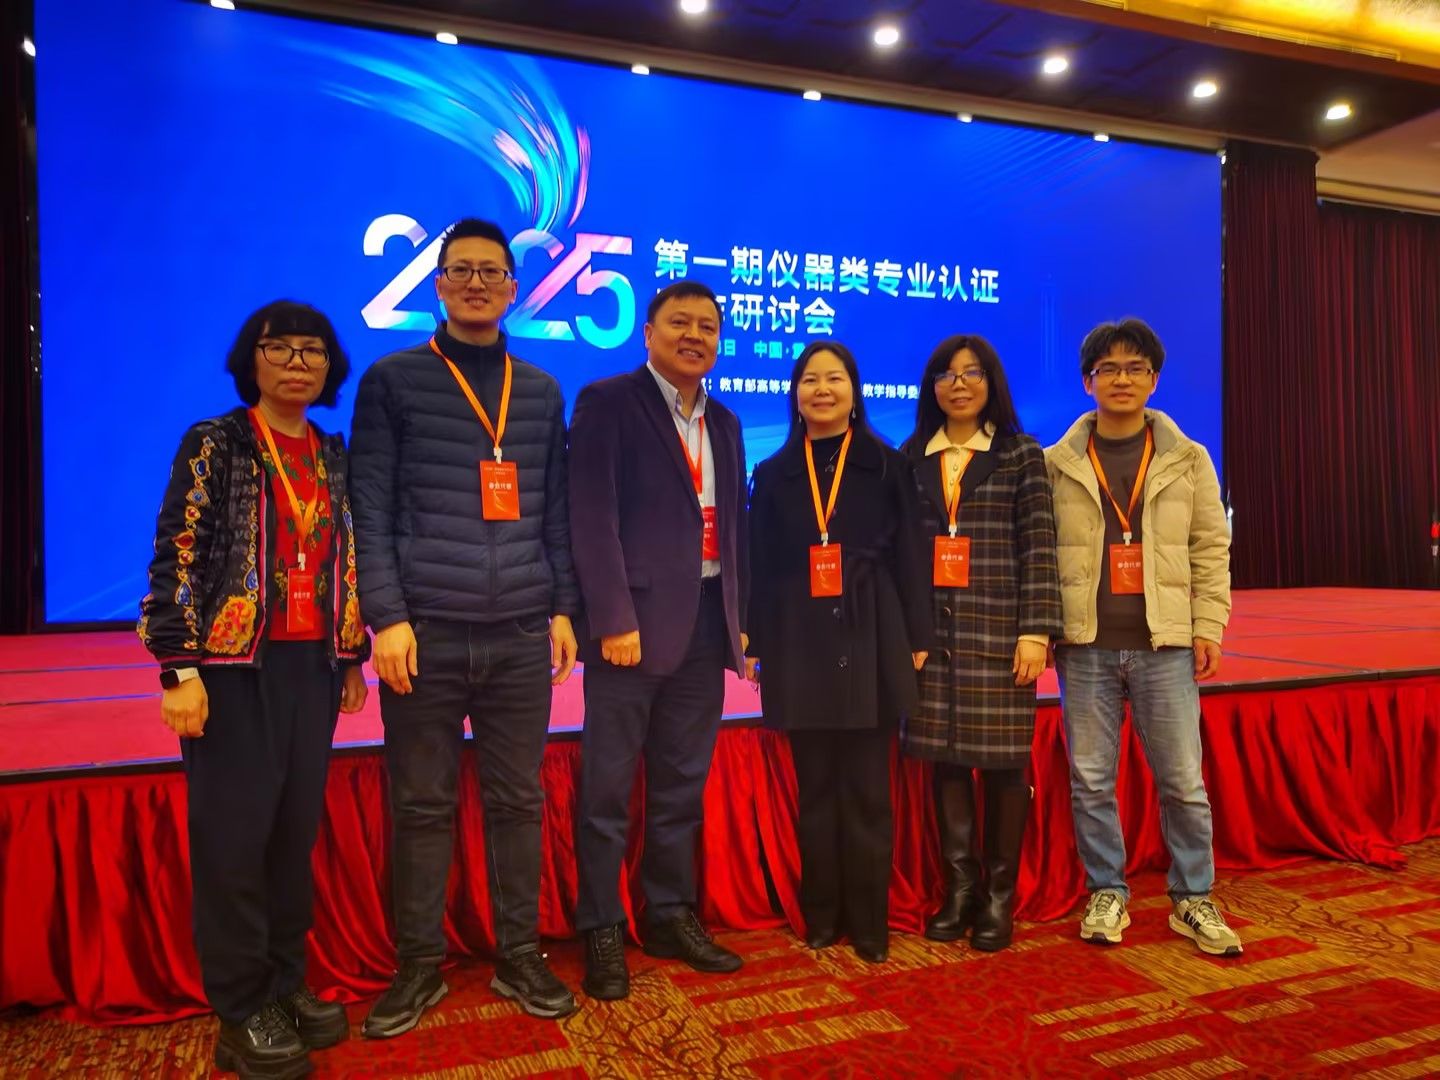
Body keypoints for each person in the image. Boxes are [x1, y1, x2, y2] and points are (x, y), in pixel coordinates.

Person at [350, 217, 581, 1036]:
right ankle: (418, 966)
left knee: (518, 802)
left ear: (513, 288)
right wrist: (387, 617)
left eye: (491, 272)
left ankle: (519, 954)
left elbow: (555, 512)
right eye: (461, 271)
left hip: (519, 632)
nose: (477, 283)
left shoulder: (541, 390)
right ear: (438, 283)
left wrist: (563, 607)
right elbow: (369, 509)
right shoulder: (392, 380)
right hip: (427, 634)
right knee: (421, 805)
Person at [139, 300, 369, 1079]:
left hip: (312, 671)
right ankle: (240, 1012)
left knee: (291, 841)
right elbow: (177, 552)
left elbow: (345, 556)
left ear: (330, 367)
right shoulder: (219, 442)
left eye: (313, 351)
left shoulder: (332, 454)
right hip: (233, 672)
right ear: (253, 359)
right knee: (234, 847)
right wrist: (179, 667)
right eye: (282, 349)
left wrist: (350, 656)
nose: (298, 363)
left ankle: (283, 984)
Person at [568, 280, 750, 999]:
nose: (694, 336)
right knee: (608, 789)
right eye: (680, 322)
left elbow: (732, 530)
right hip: (632, 631)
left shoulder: (726, 422)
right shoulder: (609, 402)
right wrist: (613, 618)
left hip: (705, 622)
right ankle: (601, 925)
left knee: (681, 784)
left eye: (708, 326)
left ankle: (669, 913)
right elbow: (591, 517)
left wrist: (739, 620)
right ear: (648, 332)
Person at [1045, 318, 1240, 956]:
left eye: (1135, 368)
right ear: (1088, 381)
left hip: (1166, 645)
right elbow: (1041, 554)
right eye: (1109, 368)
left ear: (1154, 379)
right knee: (1091, 781)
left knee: (1184, 782)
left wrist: (1208, 625)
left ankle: (1193, 896)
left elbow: (1210, 548)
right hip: (1086, 646)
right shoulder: (1056, 464)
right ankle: (1108, 889)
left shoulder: (1189, 459)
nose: (1122, 379)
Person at [746, 341, 932, 964]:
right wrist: (754, 638)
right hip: (797, 639)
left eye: (834, 379)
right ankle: (822, 914)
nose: (821, 390)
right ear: (795, 395)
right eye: (809, 380)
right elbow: (760, 563)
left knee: (869, 794)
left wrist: (918, 637)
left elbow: (912, 555)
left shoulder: (887, 465)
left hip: (871, 633)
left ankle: (870, 922)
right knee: (817, 792)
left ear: (854, 392)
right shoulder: (773, 473)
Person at [899, 334, 1062, 953]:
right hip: (934, 643)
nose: (959, 384)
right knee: (945, 762)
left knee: (1002, 767)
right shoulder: (911, 455)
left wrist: (1035, 631)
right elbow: (902, 555)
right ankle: (959, 891)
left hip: (1000, 636)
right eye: (946, 374)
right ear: (932, 387)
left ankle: (998, 896)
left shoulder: (1020, 454)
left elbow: (1038, 545)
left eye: (972, 373)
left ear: (992, 382)